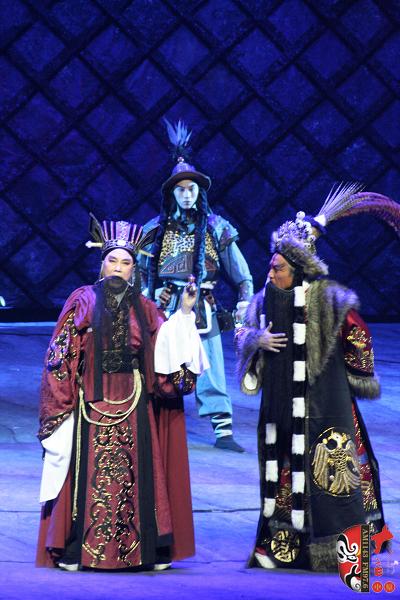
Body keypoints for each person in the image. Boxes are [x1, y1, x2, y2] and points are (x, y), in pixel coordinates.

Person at [235, 184, 399, 571]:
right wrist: (256, 340)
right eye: (270, 266)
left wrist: (355, 375)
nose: (269, 273)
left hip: (327, 407)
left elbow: (358, 334)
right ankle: (285, 546)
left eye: (277, 268)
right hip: (281, 409)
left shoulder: (330, 299)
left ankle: (343, 546)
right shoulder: (262, 300)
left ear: (298, 268)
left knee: (334, 471)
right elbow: (242, 333)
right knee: (285, 475)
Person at [36, 214, 209, 572]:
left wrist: (185, 312)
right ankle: (77, 549)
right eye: (112, 260)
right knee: (87, 476)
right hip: (91, 404)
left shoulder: (146, 308)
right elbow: (60, 354)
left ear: (134, 268)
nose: (117, 267)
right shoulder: (82, 300)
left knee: (139, 476)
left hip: (134, 405)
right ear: (101, 264)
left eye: (125, 262)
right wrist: (60, 403)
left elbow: (166, 350)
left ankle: (146, 550)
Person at [140, 120, 253, 453]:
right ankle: (152, 424)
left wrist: (245, 302)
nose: (187, 195)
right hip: (165, 305)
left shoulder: (217, 227)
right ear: (171, 193)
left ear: (199, 191)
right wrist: (146, 295)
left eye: (192, 189)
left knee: (211, 366)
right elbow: (141, 272)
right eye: (181, 190)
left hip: (203, 307)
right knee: (159, 364)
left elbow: (242, 274)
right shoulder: (154, 229)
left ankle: (223, 431)